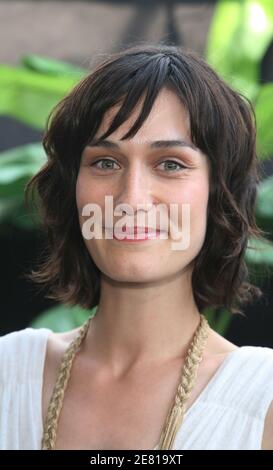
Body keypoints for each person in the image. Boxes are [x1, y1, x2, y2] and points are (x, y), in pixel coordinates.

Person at [1, 44, 273, 450]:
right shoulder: (8, 374)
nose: (131, 198)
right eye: (106, 163)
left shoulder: (262, 403)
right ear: (72, 190)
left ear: (219, 194)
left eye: (170, 164)